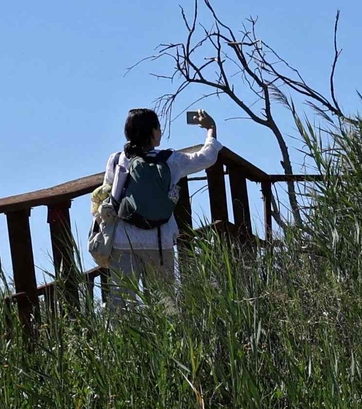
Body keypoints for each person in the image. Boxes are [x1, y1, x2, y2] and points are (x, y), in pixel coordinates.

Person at [94, 106, 250, 292]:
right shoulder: (170, 160)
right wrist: (211, 128)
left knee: (122, 305)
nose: (160, 131)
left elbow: (107, 195)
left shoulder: (117, 159)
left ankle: (122, 323)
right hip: (160, 241)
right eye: (158, 127)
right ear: (152, 132)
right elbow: (206, 158)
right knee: (165, 302)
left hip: (122, 240)